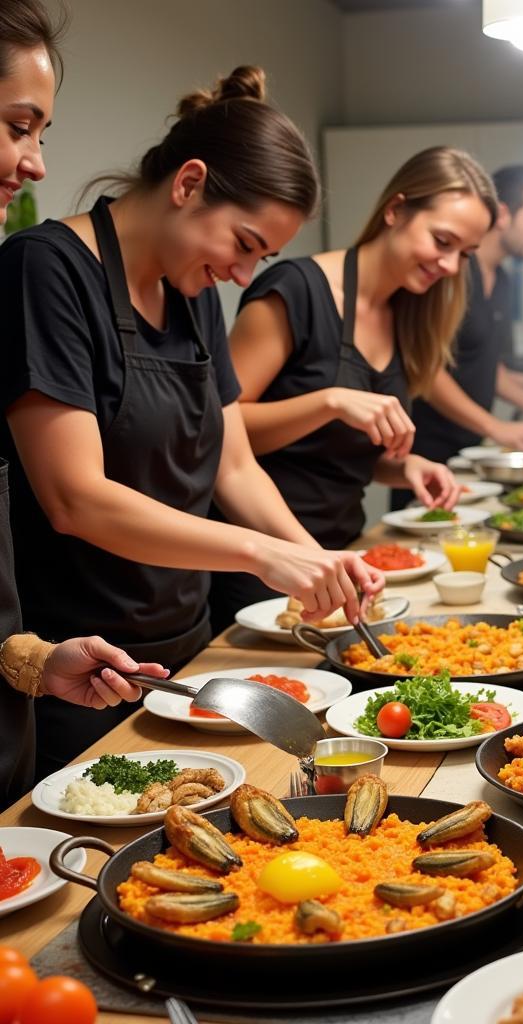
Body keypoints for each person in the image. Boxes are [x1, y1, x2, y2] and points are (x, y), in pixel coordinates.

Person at [0, 65, 383, 781]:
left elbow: (233, 465)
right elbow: (74, 498)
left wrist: (317, 561)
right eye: (243, 244)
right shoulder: (46, 270)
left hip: (194, 652)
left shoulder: (192, 292)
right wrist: (258, 554)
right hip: (84, 670)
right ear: (188, 183)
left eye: (261, 258)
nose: (244, 275)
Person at [207, 146, 497, 629]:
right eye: (442, 241)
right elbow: (222, 433)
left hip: (346, 551)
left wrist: (402, 468)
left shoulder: (408, 311)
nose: (450, 265)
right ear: (395, 210)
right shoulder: (296, 290)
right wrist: (330, 401)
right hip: (265, 566)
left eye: (464, 254)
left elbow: (331, 452)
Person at [0, 0, 166, 807]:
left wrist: (30, 658)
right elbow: (73, 497)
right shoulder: (42, 269)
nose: (32, 163)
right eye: (15, 126)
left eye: (41, 135)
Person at [394, 165, 523, 507]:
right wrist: (495, 426)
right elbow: (426, 368)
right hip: (430, 453)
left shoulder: (503, 280)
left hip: (472, 449)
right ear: (503, 214)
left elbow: (486, 363)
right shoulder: (451, 275)